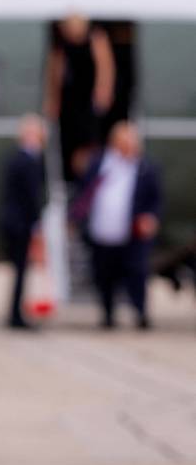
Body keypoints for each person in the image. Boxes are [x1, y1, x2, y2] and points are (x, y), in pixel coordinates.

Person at [72, 122, 161, 329]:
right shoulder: (100, 163)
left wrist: (151, 217)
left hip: (132, 231)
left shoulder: (146, 168)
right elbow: (84, 191)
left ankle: (140, 311)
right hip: (102, 229)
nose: (130, 148)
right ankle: (108, 313)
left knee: (136, 271)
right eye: (125, 143)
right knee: (104, 273)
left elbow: (155, 199)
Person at [43, 13, 116, 181]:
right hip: (70, 100)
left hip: (88, 100)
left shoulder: (96, 38)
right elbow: (54, 74)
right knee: (69, 141)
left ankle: (88, 180)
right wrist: (53, 100)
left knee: (88, 144)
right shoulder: (61, 45)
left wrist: (103, 92)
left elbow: (105, 67)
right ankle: (72, 180)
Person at [0, 114, 46, 329]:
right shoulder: (28, 161)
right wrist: (37, 224)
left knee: (20, 271)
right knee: (20, 271)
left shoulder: (15, 158)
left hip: (14, 222)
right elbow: (32, 196)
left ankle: (16, 312)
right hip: (21, 223)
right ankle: (16, 315)